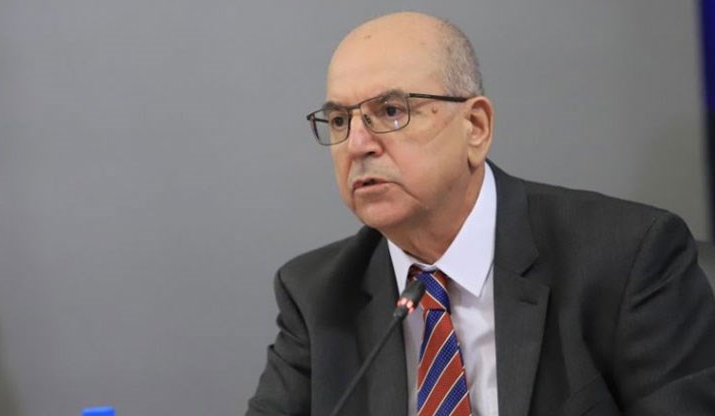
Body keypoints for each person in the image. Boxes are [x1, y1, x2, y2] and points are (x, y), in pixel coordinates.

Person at [246, 11, 715, 416]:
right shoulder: (318, 295)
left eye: (390, 111)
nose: (357, 145)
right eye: (340, 120)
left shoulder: (627, 258)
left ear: (475, 126)